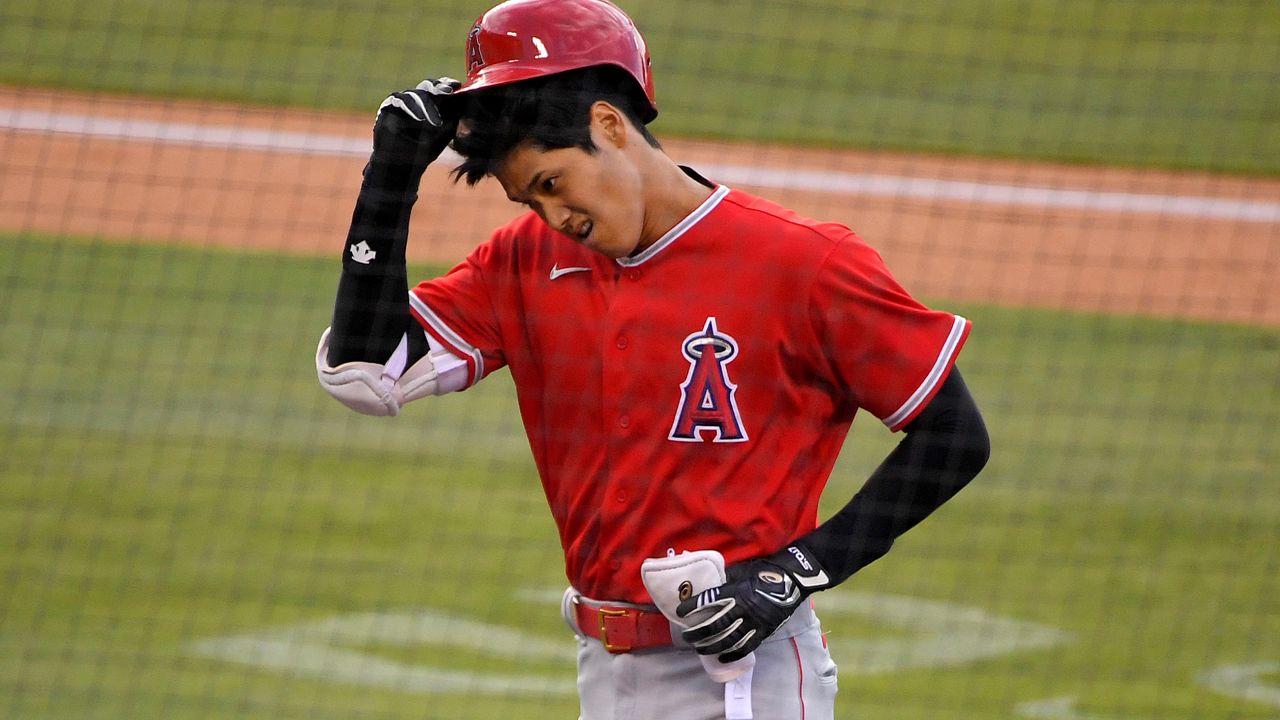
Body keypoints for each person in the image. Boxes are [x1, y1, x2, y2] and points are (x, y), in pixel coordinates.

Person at [315, 0, 990, 717]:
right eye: (528, 202)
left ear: (609, 125)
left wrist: (796, 572)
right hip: (604, 671)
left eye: (552, 184)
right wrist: (386, 186)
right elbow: (367, 373)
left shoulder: (803, 263)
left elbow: (954, 435)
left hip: (743, 680)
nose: (555, 219)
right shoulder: (525, 262)